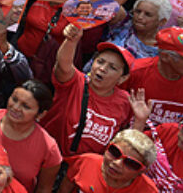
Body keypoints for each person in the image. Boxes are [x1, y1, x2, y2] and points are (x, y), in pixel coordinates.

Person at [41, 25, 149, 156]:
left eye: (112, 68)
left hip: (84, 168)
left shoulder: (125, 101)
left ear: (122, 78)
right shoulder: (75, 82)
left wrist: (140, 120)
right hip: (48, 155)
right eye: (100, 62)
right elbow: (63, 66)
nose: (102, 69)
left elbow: (125, 148)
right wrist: (71, 41)